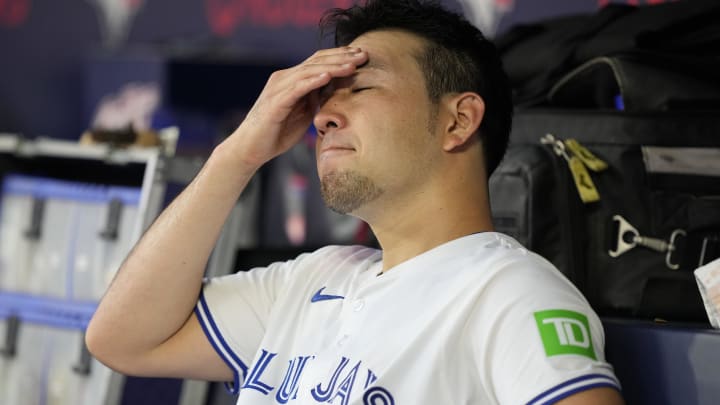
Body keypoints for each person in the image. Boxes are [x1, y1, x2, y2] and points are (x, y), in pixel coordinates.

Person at [86, 0, 625, 403]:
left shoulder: (510, 295)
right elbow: (122, 340)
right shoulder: (308, 280)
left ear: (458, 120)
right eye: (321, 98)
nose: (322, 117)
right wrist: (239, 155)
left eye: (361, 89)